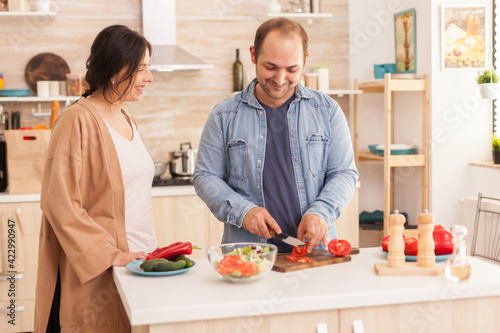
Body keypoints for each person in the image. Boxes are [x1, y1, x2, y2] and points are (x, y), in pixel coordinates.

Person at [194, 17, 358, 254]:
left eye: (292, 69)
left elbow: (344, 173)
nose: (280, 80)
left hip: (316, 253)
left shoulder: (328, 111)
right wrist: (244, 211)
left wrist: (320, 212)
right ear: (253, 55)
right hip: (247, 256)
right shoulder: (224, 115)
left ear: (305, 60)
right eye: (270, 67)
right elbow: (205, 176)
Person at [34, 25, 156, 332]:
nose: (149, 78)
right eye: (141, 68)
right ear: (116, 69)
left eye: (148, 68)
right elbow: (58, 202)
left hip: (139, 263)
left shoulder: (127, 117)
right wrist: (111, 255)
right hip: (101, 270)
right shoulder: (77, 120)